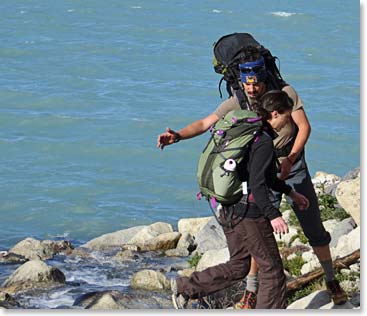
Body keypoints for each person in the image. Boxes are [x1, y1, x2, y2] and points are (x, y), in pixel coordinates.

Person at [157, 46, 347, 307]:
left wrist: (290, 162)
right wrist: (177, 135)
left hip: (290, 165)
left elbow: (304, 127)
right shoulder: (237, 101)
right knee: (261, 235)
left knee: (312, 224)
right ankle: (251, 290)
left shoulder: (285, 94)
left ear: (264, 77)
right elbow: (205, 123)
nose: (251, 89)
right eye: (247, 84)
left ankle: (330, 278)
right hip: (261, 169)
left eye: (255, 84)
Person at [170, 90, 309, 309]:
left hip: (228, 209)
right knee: (272, 272)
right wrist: (273, 216)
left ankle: (185, 287)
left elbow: (264, 176)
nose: (287, 121)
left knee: (239, 265)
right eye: (286, 116)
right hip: (249, 214)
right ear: (274, 114)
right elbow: (258, 183)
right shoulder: (263, 141)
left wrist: (291, 192)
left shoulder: (248, 132)